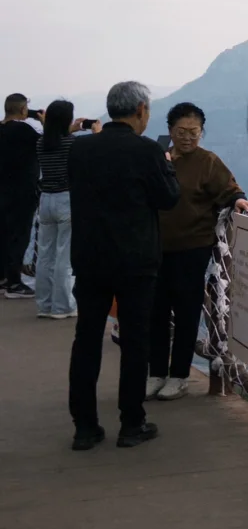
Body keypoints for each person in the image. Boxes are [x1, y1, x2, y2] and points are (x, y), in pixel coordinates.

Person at [67, 80, 181, 451]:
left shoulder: (80, 150)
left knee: (86, 339)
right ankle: (132, 423)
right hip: (136, 260)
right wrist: (166, 167)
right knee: (135, 341)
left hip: (89, 257)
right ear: (141, 111)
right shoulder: (147, 151)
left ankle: (85, 427)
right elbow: (168, 200)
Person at [148, 101, 248, 401]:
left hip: (192, 249)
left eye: (194, 132)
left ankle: (179, 375)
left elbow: (229, 189)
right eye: (181, 131)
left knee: (185, 313)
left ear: (201, 132)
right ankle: (155, 372)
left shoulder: (207, 162)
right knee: (156, 312)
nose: (187, 137)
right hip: (155, 248)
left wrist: (238, 201)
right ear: (170, 130)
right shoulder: (157, 157)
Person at [35, 99, 100, 319]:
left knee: (45, 253)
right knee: (65, 255)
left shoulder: (41, 142)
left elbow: (54, 138)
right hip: (66, 200)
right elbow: (94, 153)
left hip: (45, 200)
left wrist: (67, 130)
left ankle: (44, 304)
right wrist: (96, 133)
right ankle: (63, 306)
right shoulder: (72, 143)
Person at [0, 93, 42, 297]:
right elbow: (46, 145)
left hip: (3, 191)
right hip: (22, 191)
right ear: (23, 109)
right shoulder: (24, 130)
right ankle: (14, 283)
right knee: (19, 236)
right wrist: (46, 122)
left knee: (3, 234)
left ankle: (3, 279)